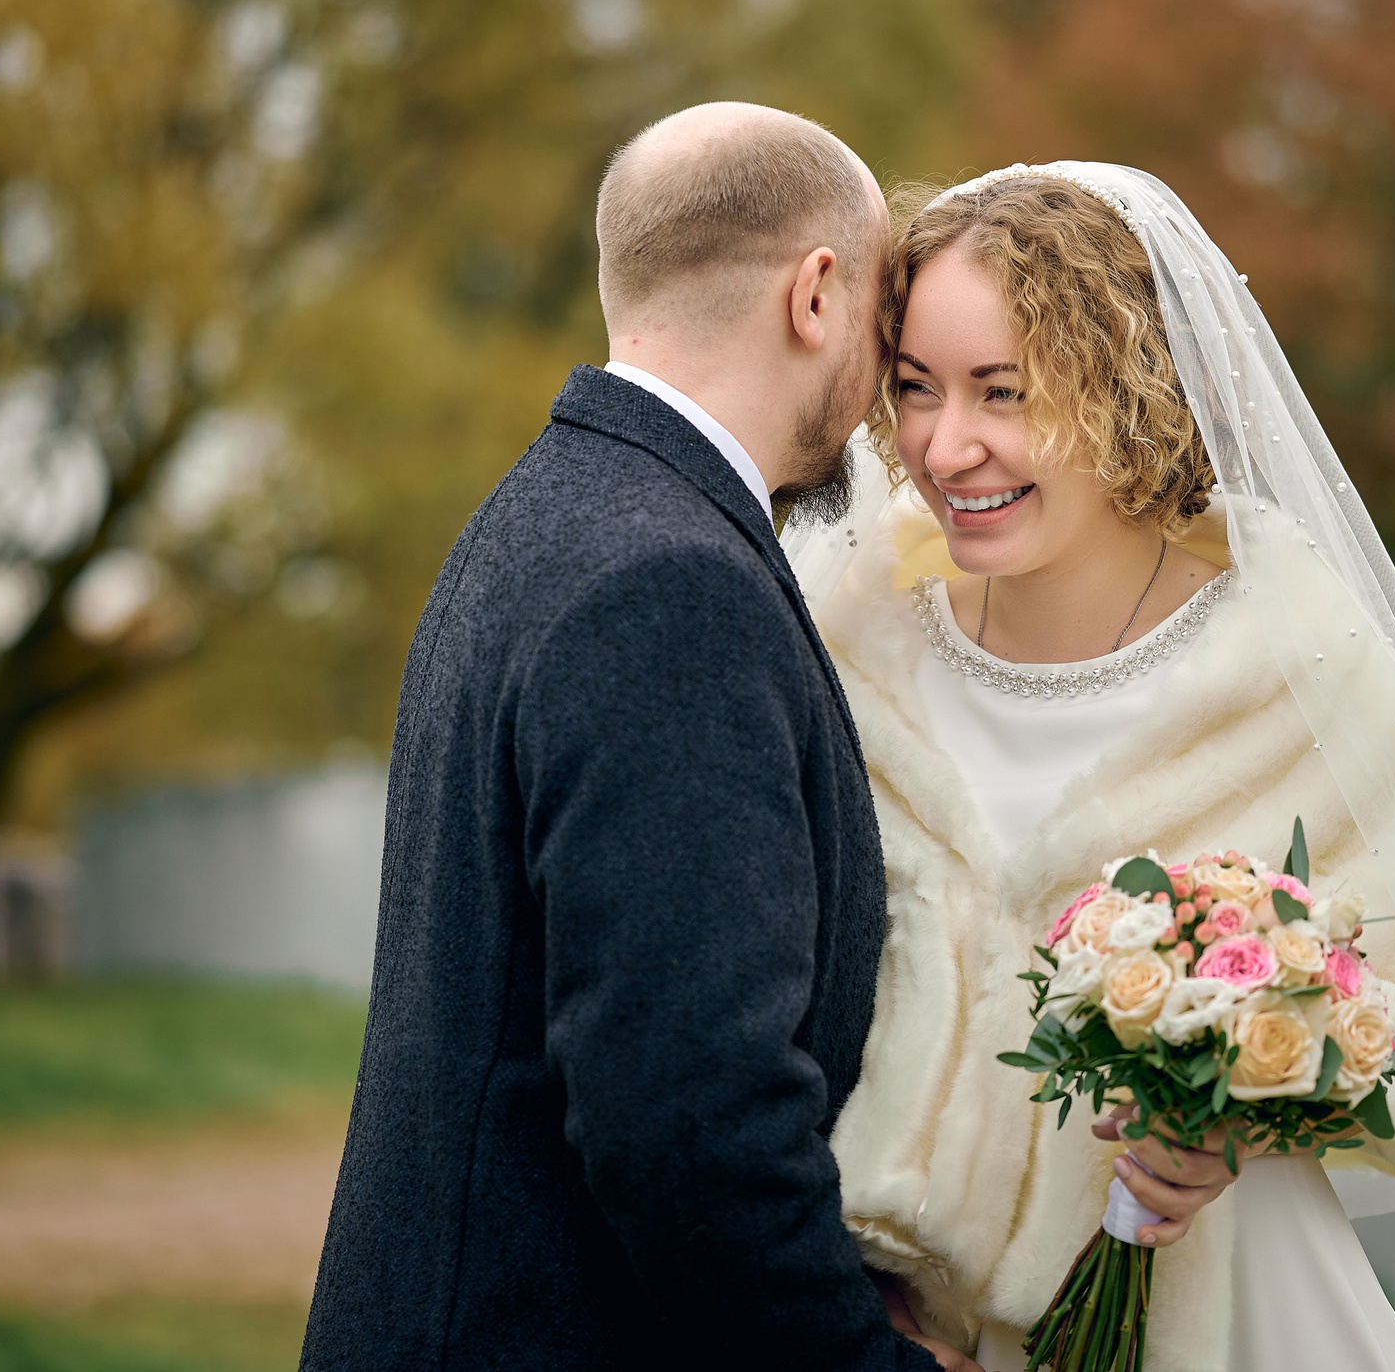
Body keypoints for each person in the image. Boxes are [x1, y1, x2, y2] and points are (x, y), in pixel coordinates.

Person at [785, 164, 1395, 1372]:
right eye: (914, 388)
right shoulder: (853, 634)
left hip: (1217, 1314)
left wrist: (1243, 1111)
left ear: (1122, 387)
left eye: (1004, 391)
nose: (947, 445)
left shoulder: (1286, 660)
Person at [299, 104, 959, 1372]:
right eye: (884, 322)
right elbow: (690, 1114)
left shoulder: (543, 511)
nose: (884, 385)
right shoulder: (672, 584)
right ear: (816, 294)